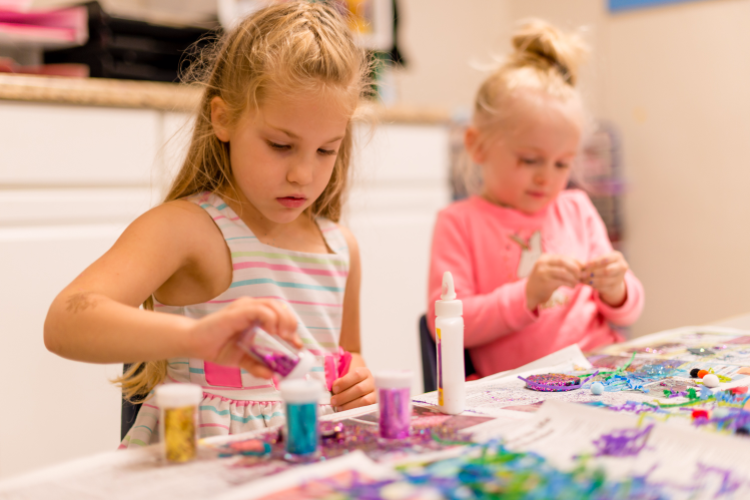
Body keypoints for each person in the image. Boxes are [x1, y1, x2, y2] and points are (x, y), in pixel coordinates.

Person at [44, 2, 376, 448]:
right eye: (281, 145)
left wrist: (356, 380)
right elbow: (64, 323)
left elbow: (347, 355)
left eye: (326, 150)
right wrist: (196, 337)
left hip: (302, 461)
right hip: (194, 464)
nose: (304, 174)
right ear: (223, 118)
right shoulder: (189, 230)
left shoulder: (339, 248)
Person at [427, 19, 644, 377]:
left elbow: (629, 311)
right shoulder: (459, 223)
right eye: (530, 160)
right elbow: (447, 325)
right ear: (476, 145)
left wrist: (616, 288)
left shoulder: (576, 208)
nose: (547, 177)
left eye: (562, 163)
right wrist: (527, 294)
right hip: (515, 393)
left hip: (600, 376)